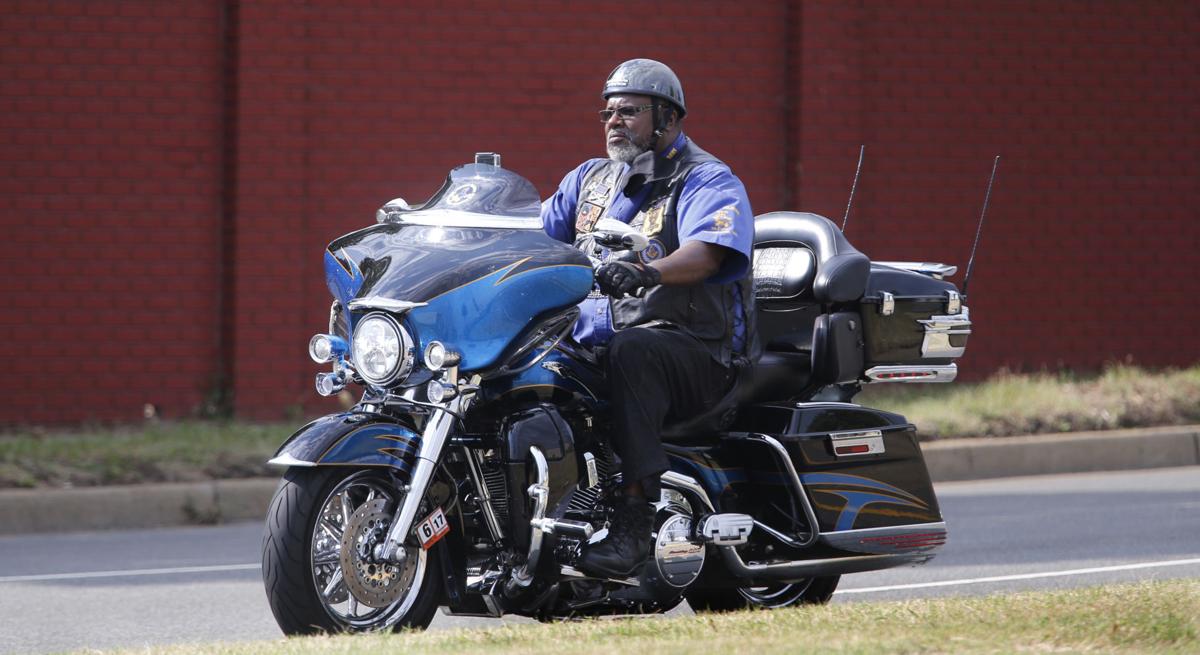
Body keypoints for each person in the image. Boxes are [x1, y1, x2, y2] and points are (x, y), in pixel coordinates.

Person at [541, 58, 758, 577]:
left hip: (694, 354)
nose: (614, 121)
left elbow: (709, 252)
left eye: (629, 111)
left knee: (634, 349)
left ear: (668, 118)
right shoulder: (589, 180)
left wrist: (649, 271)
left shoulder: (705, 178)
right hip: (595, 344)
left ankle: (636, 521)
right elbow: (532, 234)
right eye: (608, 112)